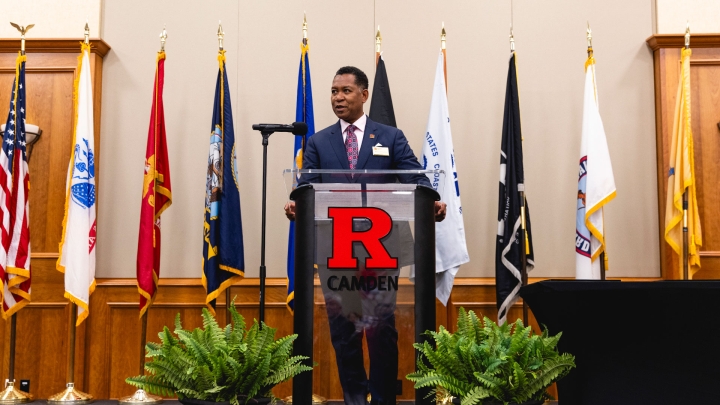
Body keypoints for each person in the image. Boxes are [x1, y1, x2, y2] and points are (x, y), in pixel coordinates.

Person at [284, 66, 446, 405]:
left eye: (345, 91)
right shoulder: (318, 141)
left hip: (381, 247)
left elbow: (416, 176)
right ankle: (355, 399)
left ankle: (383, 399)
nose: (337, 97)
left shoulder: (390, 137)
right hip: (336, 248)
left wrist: (431, 199)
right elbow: (306, 187)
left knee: (380, 329)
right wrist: (296, 202)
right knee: (344, 332)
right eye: (333, 91)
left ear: (364, 94)